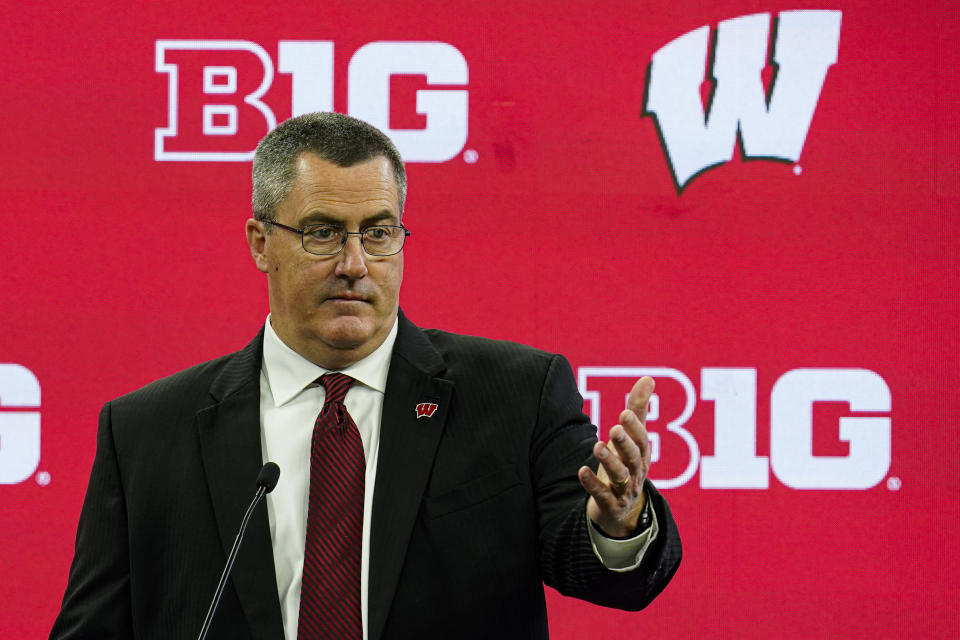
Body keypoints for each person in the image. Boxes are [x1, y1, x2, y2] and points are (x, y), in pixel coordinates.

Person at [50, 112, 681, 640]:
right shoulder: (145, 433)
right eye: (323, 233)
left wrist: (619, 523)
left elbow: (601, 573)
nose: (356, 264)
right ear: (260, 242)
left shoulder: (517, 394)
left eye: (379, 233)